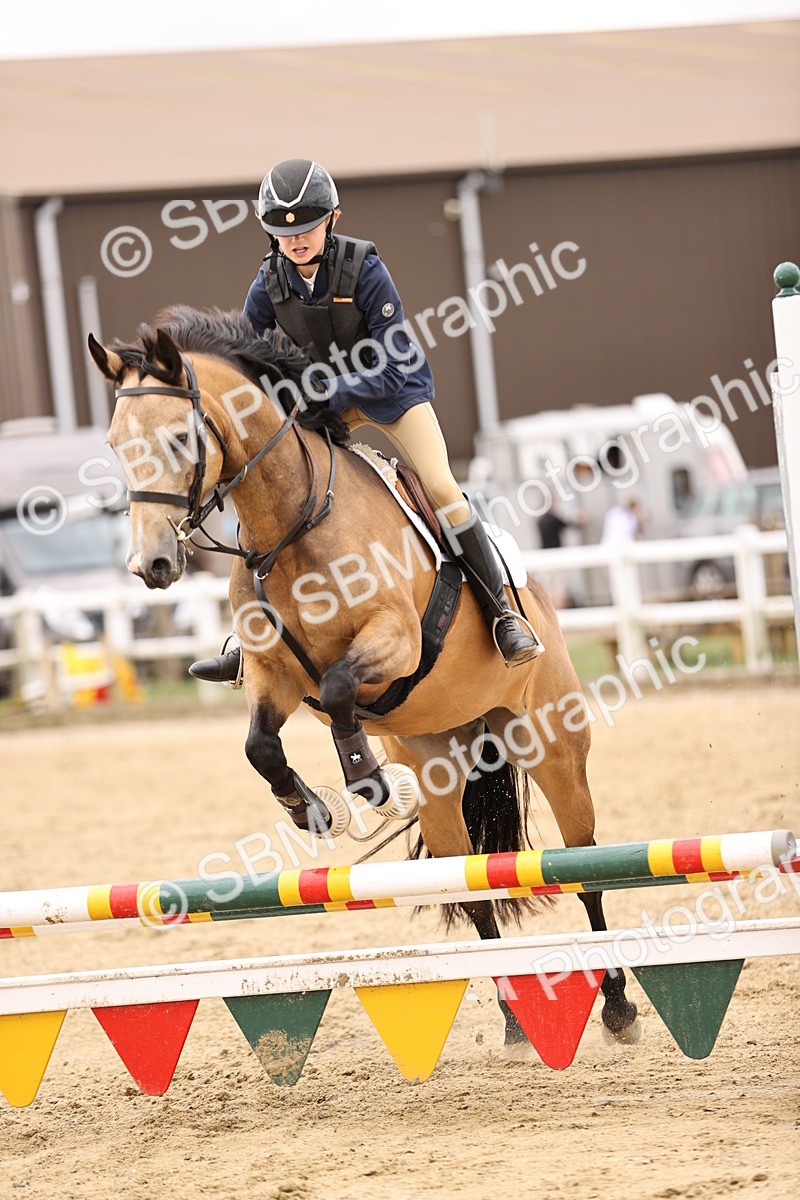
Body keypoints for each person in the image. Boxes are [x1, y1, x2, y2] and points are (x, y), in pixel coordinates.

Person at [191, 158, 543, 683]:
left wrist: (322, 391)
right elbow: (246, 356)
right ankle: (251, 639)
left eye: (306, 228)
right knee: (274, 493)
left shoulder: (364, 269)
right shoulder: (268, 283)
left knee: (444, 489)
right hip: (324, 402)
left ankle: (503, 614)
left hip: (392, 395)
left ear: (332, 219)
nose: (296, 241)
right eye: (283, 233)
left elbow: (393, 360)